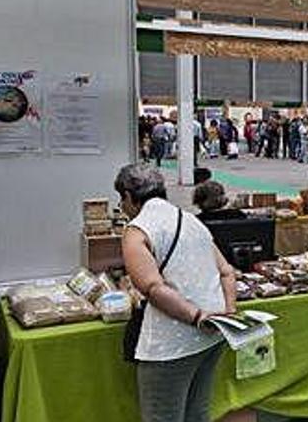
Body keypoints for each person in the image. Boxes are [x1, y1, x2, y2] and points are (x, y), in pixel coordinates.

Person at [115, 164, 236, 422]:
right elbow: (227, 272)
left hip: (171, 343)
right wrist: (228, 314)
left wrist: (196, 317)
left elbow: (152, 287)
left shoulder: (137, 230)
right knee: (197, 413)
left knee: (163, 416)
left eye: (121, 199)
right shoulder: (191, 220)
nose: (122, 206)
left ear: (128, 195)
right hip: (213, 336)